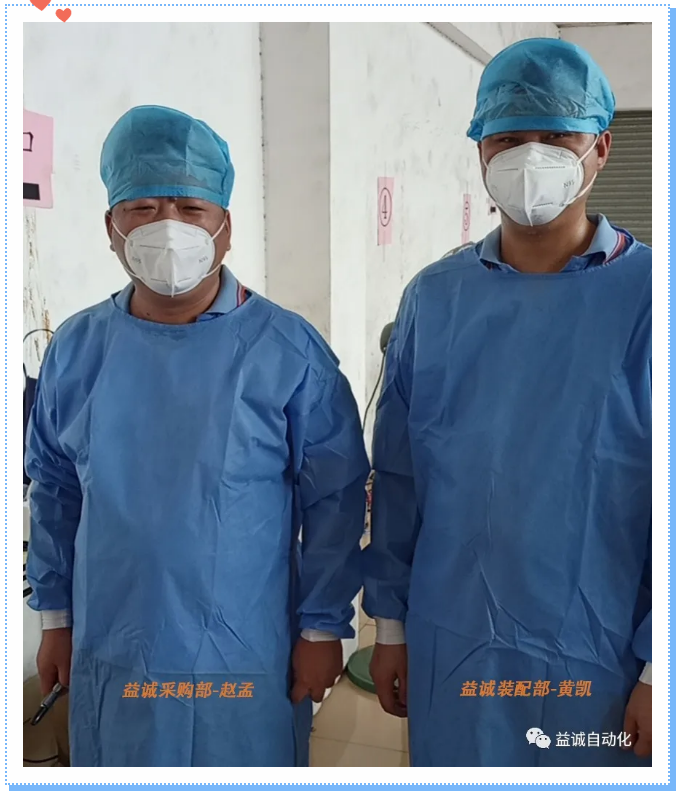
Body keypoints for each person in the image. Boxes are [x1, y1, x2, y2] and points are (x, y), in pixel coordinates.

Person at [25, 105, 370, 767]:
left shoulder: (287, 351)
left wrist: (323, 626)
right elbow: (55, 490)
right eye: (143, 207)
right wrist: (56, 618)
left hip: (246, 650)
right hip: (113, 646)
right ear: (110, 228)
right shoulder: (77, 349)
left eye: (190, 207)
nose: (168, 227)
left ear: (225, 228)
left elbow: (333, 498)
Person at [362, 38, 652, 767]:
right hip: (454, 639)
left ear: (600, 148)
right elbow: (398, 477)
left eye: (556, 137)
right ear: (480, 152)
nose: (530, 158)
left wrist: (662, 666)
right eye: (508, 139)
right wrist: (389, 626)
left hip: (601, 652)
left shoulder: (654, 301)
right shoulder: (434, 299)